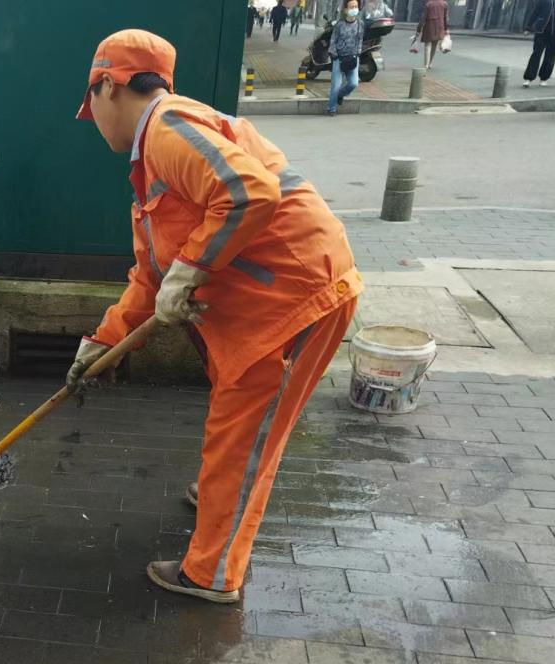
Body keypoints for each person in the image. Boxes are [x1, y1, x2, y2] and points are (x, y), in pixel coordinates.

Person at [69, 30, 361, 604]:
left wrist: (189, 270)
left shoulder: (167, 127)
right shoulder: (155, 158)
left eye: (91, 102)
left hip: (295, 299)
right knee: (234, 433)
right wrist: (100, 344)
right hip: (263, 305)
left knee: (243, 440)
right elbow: (150, 277)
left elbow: (250, 192)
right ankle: (220, 499)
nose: (93, 119)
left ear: (108, 85)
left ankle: (212, 573)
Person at [328, 0, 364, 115]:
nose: (354, 9)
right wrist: (334, 55)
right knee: (336, 85)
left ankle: (340, 95)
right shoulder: (339, 24)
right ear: (345, 9)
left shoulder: (360, 24)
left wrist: (357, 53)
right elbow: (333, 41)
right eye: (351, 7)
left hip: (353, 58)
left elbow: (360, 40)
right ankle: (331, 108)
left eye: (356, 6)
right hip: (339, 58)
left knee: (353, 83)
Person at [523, 1, 555, 86]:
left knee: (550, 56)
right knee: (536, 54)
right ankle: (529, 78)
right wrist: (528, 28)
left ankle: (544, 78)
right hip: (541, 31)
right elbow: (535, 12)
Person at [413, 0, 449, 72]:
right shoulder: (444, 4)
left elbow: (423, 18)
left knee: (427, 45)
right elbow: (446, 18)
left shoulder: (429, 4)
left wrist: (419, 29)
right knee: (434, 46)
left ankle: (426, 65)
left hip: (429, 27)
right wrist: (446, 29)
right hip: (440, 27)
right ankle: (430, 63)